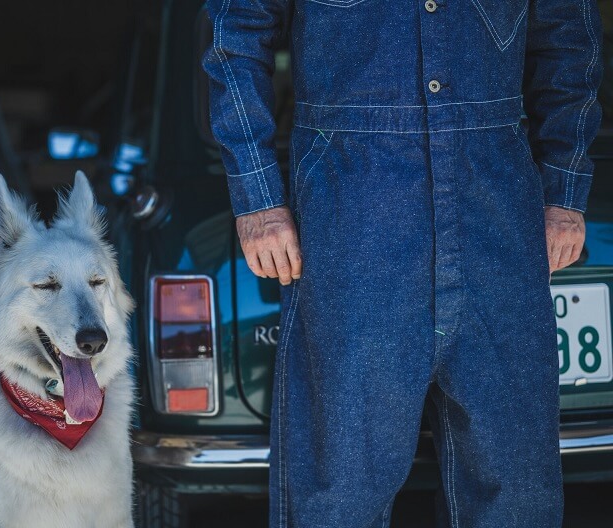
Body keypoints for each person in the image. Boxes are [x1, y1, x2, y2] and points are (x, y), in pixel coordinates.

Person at [203, 1, 602, 527]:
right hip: (351, 220)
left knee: (516, 492)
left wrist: (564, 186)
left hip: (497, 217)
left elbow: (571, 42)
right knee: (341, 497)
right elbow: (234, 37)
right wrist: (257, 197)